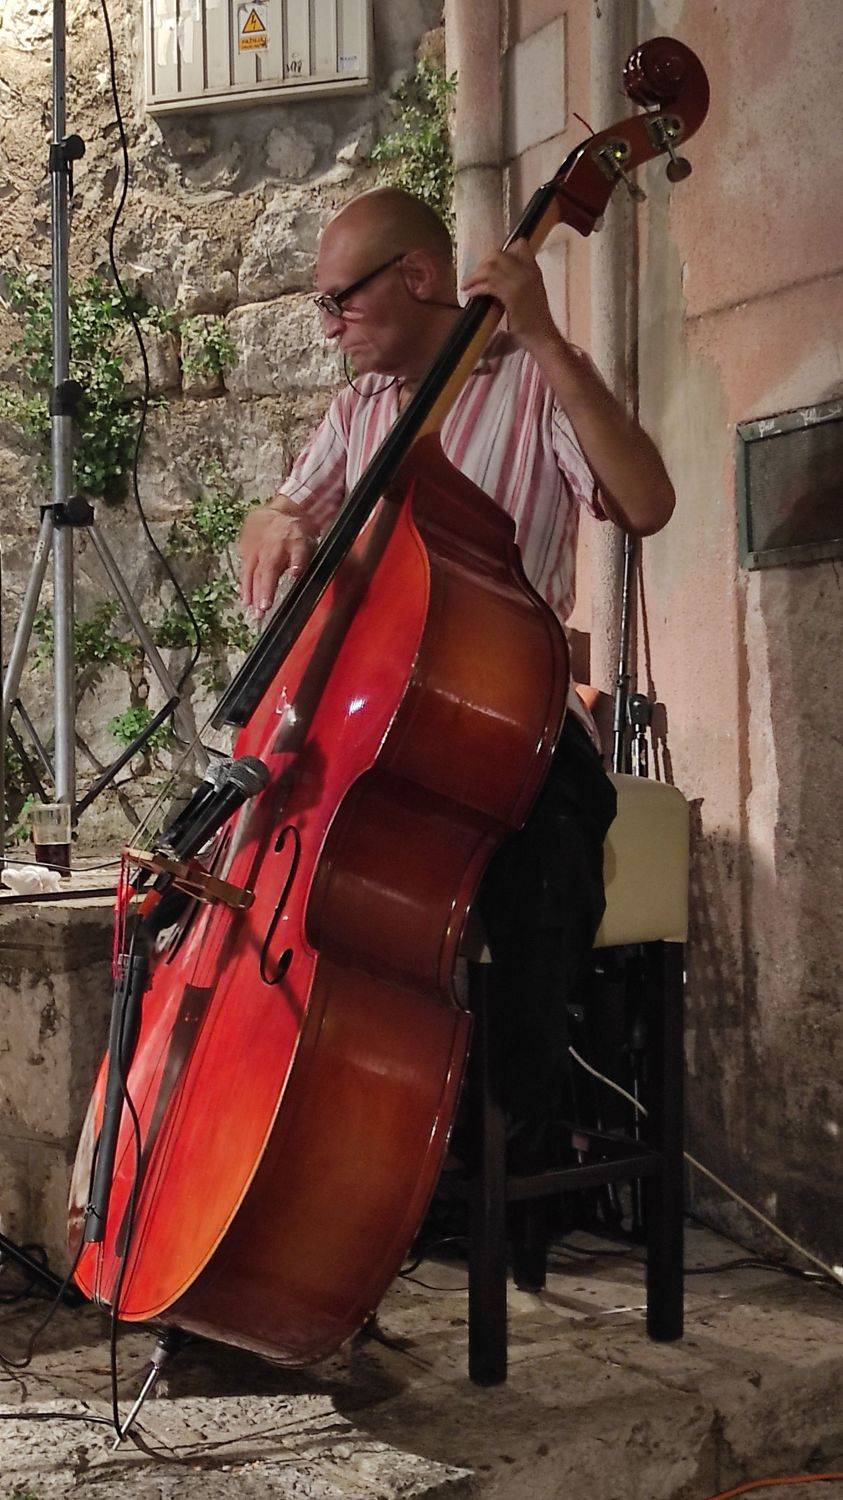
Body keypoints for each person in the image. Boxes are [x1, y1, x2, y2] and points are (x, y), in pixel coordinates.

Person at [238, 187, 674, 1172]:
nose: (328, 325)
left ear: (418, 276)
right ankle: (337, 1136)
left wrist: (549, 341)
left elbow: (646, 502)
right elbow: (285, 509)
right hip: (381, 730)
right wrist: (272, 522)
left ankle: (507, 1152)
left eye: (341, 300)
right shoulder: (359, 411)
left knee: (546, 858)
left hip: (515, 726)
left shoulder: (531, 385)